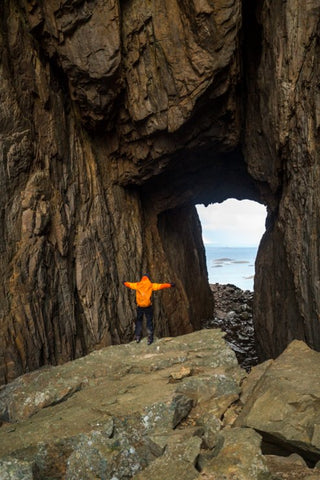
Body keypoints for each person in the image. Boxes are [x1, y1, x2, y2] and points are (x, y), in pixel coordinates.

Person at [123, 274, 175, 345]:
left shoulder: (138, 285)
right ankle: (150, 338)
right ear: (148, 279)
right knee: (149, 321)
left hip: (140, 306)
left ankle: (138, 337)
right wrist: (170, 285)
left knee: (139, 321)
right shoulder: (150, 285)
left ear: (142, 279)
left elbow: (129, 284)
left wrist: (124, 282)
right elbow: (160, 286)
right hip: (148, 306)